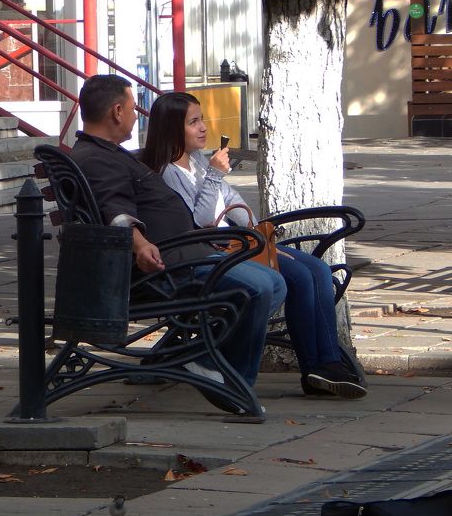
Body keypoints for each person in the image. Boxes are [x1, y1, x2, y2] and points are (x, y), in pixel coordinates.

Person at [139, 92, 367, 399]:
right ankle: (315, 365)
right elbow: (201, 220)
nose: (203, 127)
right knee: (299, 277)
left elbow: (231, 200)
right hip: (215, 250)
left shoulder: (197, 161)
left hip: (240, 243)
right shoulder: (168, 172)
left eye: (202, 119)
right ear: (171, 129)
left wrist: (260, 236)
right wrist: (215, 175)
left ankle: (325, 363)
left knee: (317, 270)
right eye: (193, 122)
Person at [71, 75, 286, 395]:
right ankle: (225, 378)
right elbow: (114, 209)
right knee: (261, 287)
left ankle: (202, 361)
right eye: (133, 108)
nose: (136, 115)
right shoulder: (98, 159)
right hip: (170, 265)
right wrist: (141, 244)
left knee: (273, 283)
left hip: (186, 253)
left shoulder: (106, 153)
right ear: (117, 112)